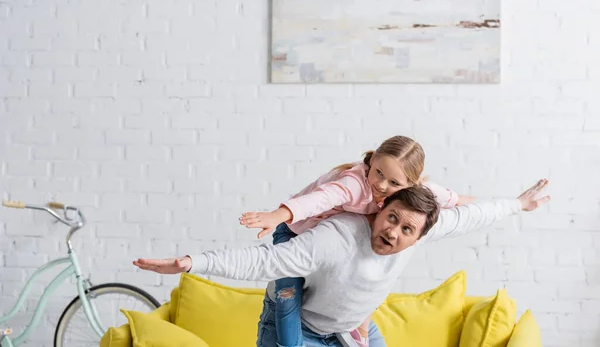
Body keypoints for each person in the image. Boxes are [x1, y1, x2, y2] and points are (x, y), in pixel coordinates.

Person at [133, 179, 550, 347]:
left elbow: (473, 216)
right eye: (391, 219)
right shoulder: (336, 237)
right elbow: (263, 262)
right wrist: (191, 262)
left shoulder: (424, 228)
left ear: (421, 234)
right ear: (379, 208)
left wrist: (519, 204)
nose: (394, 234)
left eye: (408, 230)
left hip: (352, 329)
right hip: (302, 329)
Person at [239, 135, 474, 346]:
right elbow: (318, 200)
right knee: (289, 293)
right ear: (372, 160)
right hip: (292, 229)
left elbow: (443, 196)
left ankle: (354, 330)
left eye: (394, 183)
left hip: (322, 243)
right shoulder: (354, 184)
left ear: (410, 186)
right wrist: (277, 215)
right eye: (379, 172)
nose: (381, 185)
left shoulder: (412, 193)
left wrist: (466, 201)